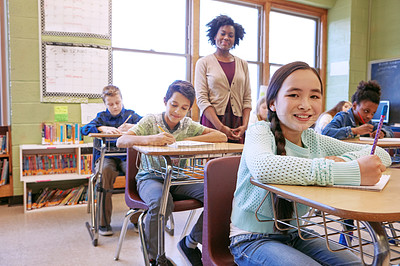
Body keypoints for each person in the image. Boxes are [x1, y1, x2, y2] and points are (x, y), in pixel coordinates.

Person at [229, 61, 391, 266]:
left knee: (356, 264)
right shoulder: (260, 131)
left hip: (296, 233)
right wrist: (349, 171)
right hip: (251, 238)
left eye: (314, 96)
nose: (305, 104)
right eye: (294, 95)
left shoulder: (313, 139)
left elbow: (381, 154)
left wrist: (344, 160)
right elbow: (265, 167)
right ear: (272, 103)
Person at [117, 80, 227, 266]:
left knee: (221, 197)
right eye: (174, 105)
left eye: (184, 108)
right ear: (165, 101)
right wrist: (153, 139)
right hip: (150, 178)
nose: (177, 111)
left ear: (189, 110)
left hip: (179, 179)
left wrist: (184, 140)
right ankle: (156, 258)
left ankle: (190, 243)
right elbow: (121, 141)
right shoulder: (151, 120)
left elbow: (221, 136)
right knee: (161, 202)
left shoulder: (187, 125)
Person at [81, 85, 142, 236]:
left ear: (122, 100)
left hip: (127, 156)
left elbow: (150, 125)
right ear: (105, 104)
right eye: (110, 104)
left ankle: (136, 220)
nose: (115, 107)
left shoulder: (131, 115)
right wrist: (103, 128)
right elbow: (84, 129)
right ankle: (103, 223)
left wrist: (133, 127)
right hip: (107, 157)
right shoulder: (101, 117)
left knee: (136, 173)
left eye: (118, 103)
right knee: (104, 173)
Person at [195, 15, 252, 144]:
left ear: (235, 39)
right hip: (212, 122)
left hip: (237, 124)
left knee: (236, 161)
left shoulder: (243, 64)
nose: (226, 37)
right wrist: (220, 127)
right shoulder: (203, 62)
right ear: (215, 35)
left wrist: (245, 125)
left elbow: (247, 98)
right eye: (223, 33)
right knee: (212, 161)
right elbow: (202, 99)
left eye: (231, 35)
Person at [322, 80, 394, 139]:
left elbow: (390, 131)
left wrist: (382, 133)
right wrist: (355, 131)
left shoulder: (369, 123)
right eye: (366, 111)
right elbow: (325, 132)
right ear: (355, 106)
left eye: (373, 113)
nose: (369, 116)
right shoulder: (343, 117)